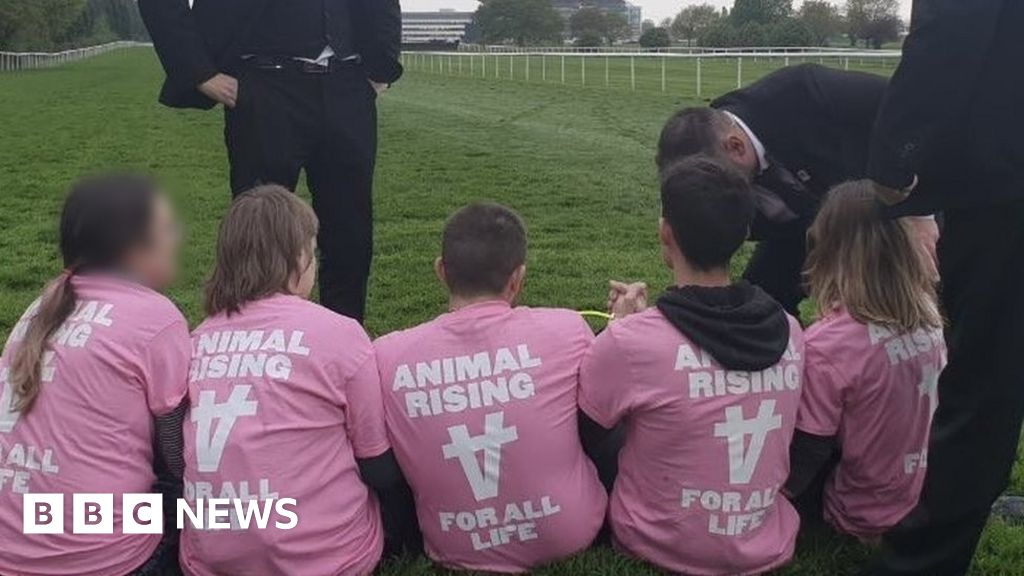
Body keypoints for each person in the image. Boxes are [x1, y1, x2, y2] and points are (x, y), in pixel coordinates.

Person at [579, 156, 805, 575]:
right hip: (763, 540)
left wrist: (618, 332)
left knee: (609, 427)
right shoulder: (790, 330)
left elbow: (585, 431)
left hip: (657, 544)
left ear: (665, 232)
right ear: (744, 234)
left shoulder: (631, 343)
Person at [864, 1, 1024, 574]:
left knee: (984, 381)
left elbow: (952, 31)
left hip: (1005, 183)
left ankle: (920, 563)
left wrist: (895, 155)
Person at [372, 203, 607, 573]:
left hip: (453, 543)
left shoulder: (385, 356)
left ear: (441, 271)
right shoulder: (566, 330)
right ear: (518, 278)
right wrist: (622, 330)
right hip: (568, 532)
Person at [180, 186, 402, 576]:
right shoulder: (339, 333)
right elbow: (376, 462)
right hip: (327, 559)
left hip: (213, 560)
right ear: (298, 257)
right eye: (313, 252)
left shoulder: (195, 341)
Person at [139, 0, 402, 322]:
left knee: (350, 234)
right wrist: (198, 71)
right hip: (264, 88)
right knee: (259, 233)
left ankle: (345, 339)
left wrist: (382, 70)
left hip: (347, 87)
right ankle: (258, 339)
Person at [0, 175, 190, 575]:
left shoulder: (41, 306)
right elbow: (176, 455)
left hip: (11, 550)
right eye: (167, 228)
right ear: (134, 249)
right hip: (98, 558)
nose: (178, 237)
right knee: (210, 504)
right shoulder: (157, 318)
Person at [656, 64, 938, 314]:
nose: (711, 192)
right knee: (759, 304)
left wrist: (918, 210)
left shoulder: (804, 91)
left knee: (926, 286)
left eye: (715, 178)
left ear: (736, 146)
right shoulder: (705, 165)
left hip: (888, 206)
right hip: (796, 230)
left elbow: (908, 112)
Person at [784, 182, 946, 541]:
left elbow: (809, 449)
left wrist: (771, 500)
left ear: (829, 250)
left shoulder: (829, 346)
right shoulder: (929, 318)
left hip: (857, 512)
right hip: (921, 497)